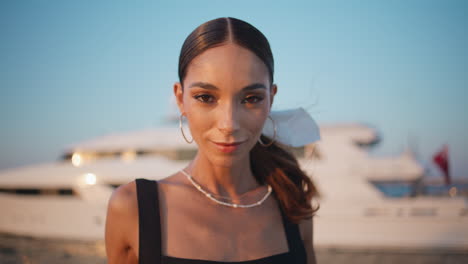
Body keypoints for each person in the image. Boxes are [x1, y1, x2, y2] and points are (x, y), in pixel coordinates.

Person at [105, 17, 320, 264]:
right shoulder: (133, 208)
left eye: (251, 98)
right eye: (206, 97)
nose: (228, 124)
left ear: (271, 98)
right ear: (180, 98)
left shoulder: (292, 205)